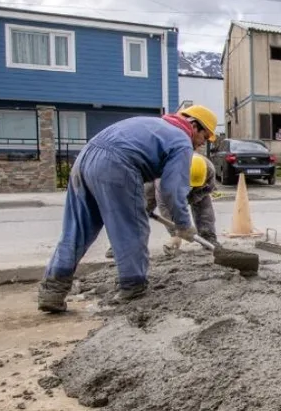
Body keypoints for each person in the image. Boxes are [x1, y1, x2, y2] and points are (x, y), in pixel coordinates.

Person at [38, 104, 217, 312]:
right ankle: (133, 287)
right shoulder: (181, 141)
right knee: (132, 230)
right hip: (115, 165)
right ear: (194, 126)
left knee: (77, 231)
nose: (201, 144)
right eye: (204, 137)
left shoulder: (154, 126)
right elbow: (171, 189)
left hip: (84, 159)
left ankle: (52, 291)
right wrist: (184, 224)